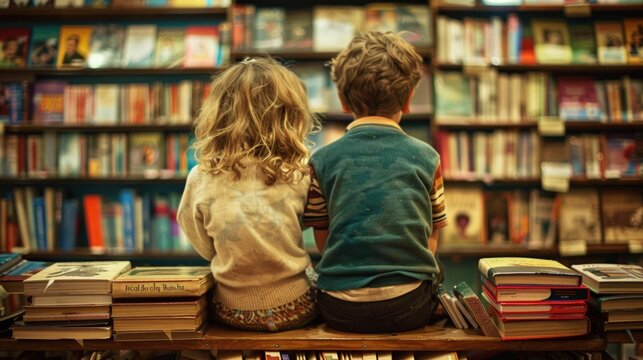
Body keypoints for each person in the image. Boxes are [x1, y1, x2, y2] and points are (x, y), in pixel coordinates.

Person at [303, 31, 448, 333]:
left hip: (339, 308)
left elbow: (323, 241)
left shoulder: (321, 161)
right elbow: (432, 236)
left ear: (343, 101)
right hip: (408, 307)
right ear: (409, 100)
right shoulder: (428, 158)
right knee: (437, 270)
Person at [177, 57, 321, 332]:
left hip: (232, 310)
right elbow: (310, 225)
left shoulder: (201, 177)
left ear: (218, 114)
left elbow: (203, 245)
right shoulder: (300, 173)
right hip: (297, 305)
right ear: (290, 115)